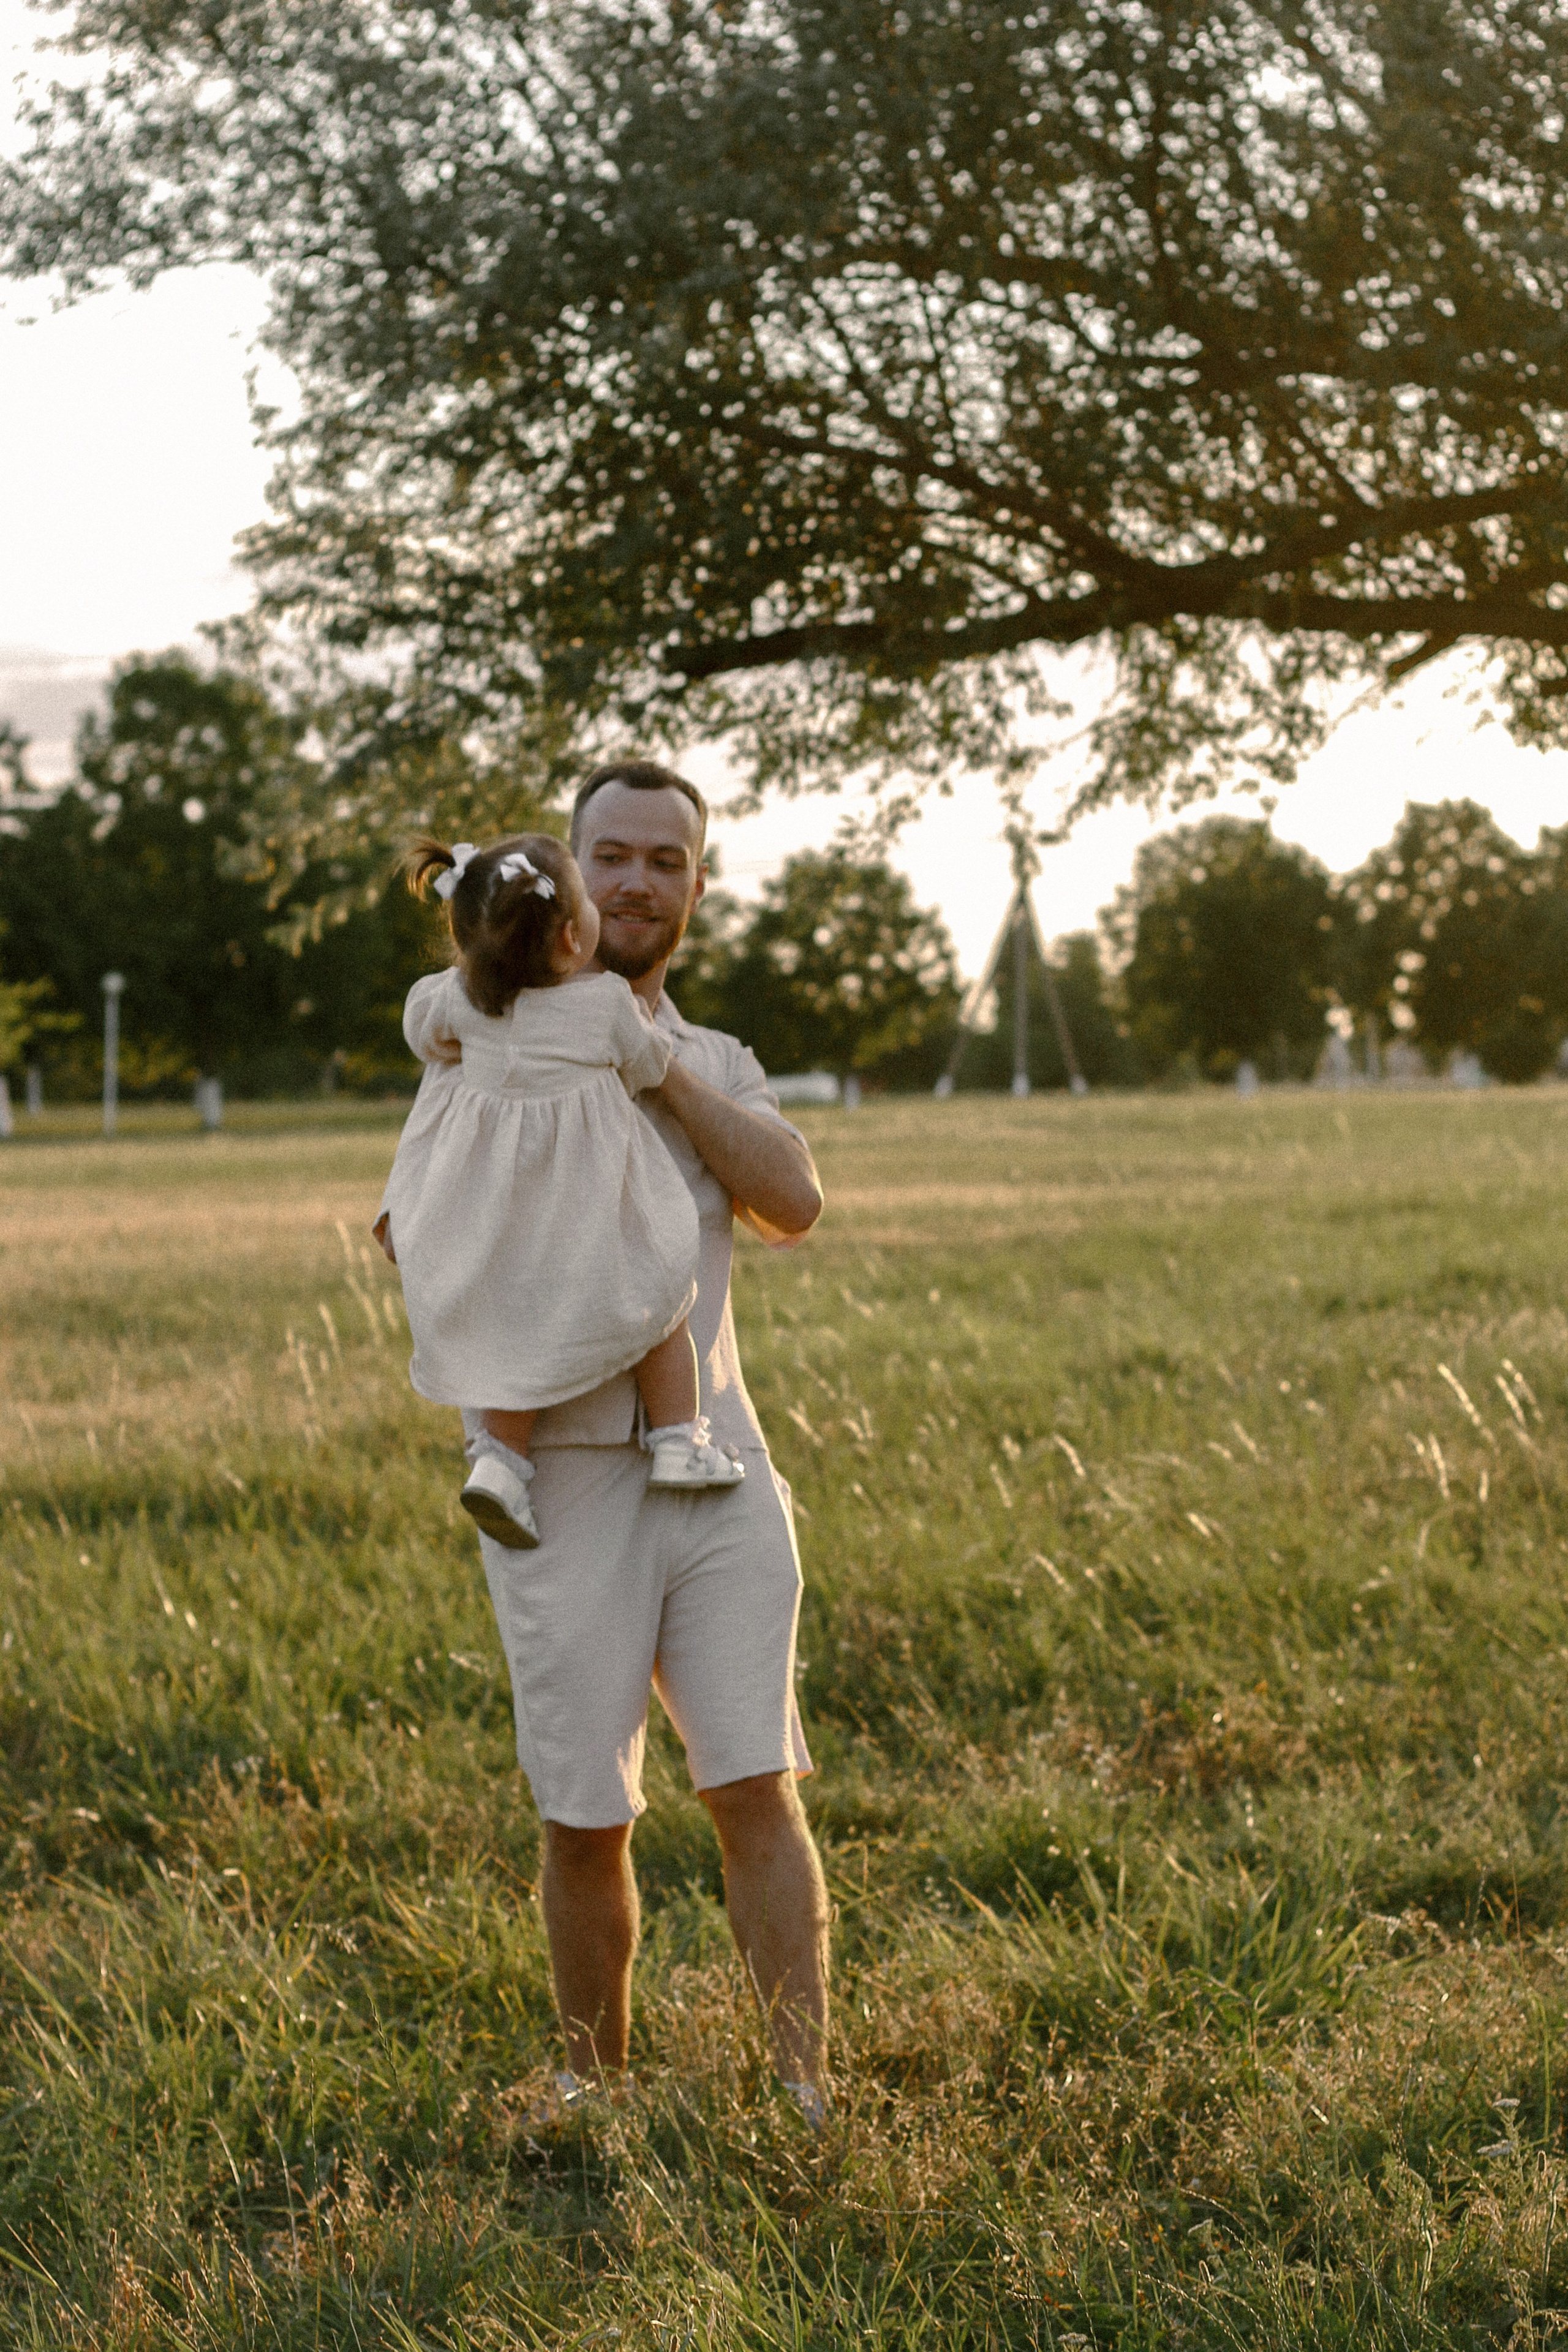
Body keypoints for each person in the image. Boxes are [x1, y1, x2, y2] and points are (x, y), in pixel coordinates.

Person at [382, 758, 831, 2122]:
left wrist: (650, 1068)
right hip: (560, 1481)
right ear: (570, 881)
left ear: (695, 887)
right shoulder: (480, 1040)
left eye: (665, 861)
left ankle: (804, 2091)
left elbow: (793, 1202)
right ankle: (595, 2090)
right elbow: (415, 1220)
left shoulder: (715, 1060)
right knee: (585, 1813)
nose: (638, 881)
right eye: (613, 856)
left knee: (756, 1783)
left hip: (717, 1465)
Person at [375, 829, 744, 1550]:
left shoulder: (458, 1000)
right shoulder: (606, 1003)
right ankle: (678, 1439)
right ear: (574, 938)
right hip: (589, 1215)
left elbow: (423, 1033)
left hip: (499, 1222)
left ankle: (498, 1465)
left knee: (511, 1339)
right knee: (663, 1299)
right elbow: (648, 1064)